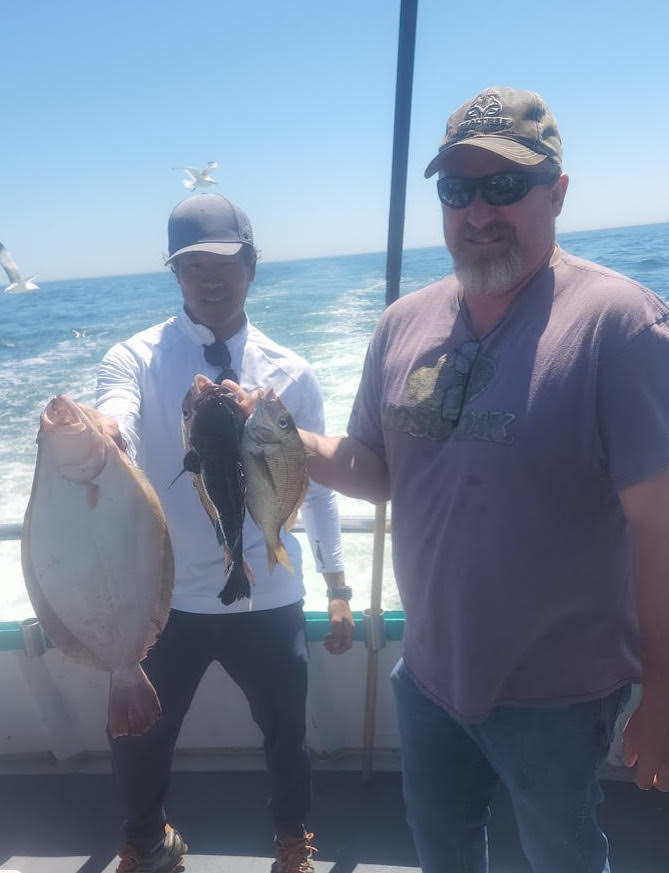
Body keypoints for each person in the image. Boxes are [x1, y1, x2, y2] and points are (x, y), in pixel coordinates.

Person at [287, 86, 669, 872]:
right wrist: (286, 442)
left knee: (563, 855)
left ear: (556, 192)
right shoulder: (402, 323)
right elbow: (379, 470)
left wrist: (664, 692)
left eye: (504, 185)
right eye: (457, 190)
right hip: (428, 676)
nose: (477, 210)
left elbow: (658, 525)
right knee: (443, 852)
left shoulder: (618, 324)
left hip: (559, 694)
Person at [93, 192, 355, 873]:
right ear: (175, 273)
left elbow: (315, 486)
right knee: (137, 730)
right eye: (191, 265)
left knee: (286, 733)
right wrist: (105, 433)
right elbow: (114, 411)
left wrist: (335, 583)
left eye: (225, 261)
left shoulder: (288, 371)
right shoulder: (136, 359)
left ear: (252, 265)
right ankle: (144, 837)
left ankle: (291, 839)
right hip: (165, 594)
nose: (209, 277)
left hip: (266, 590)